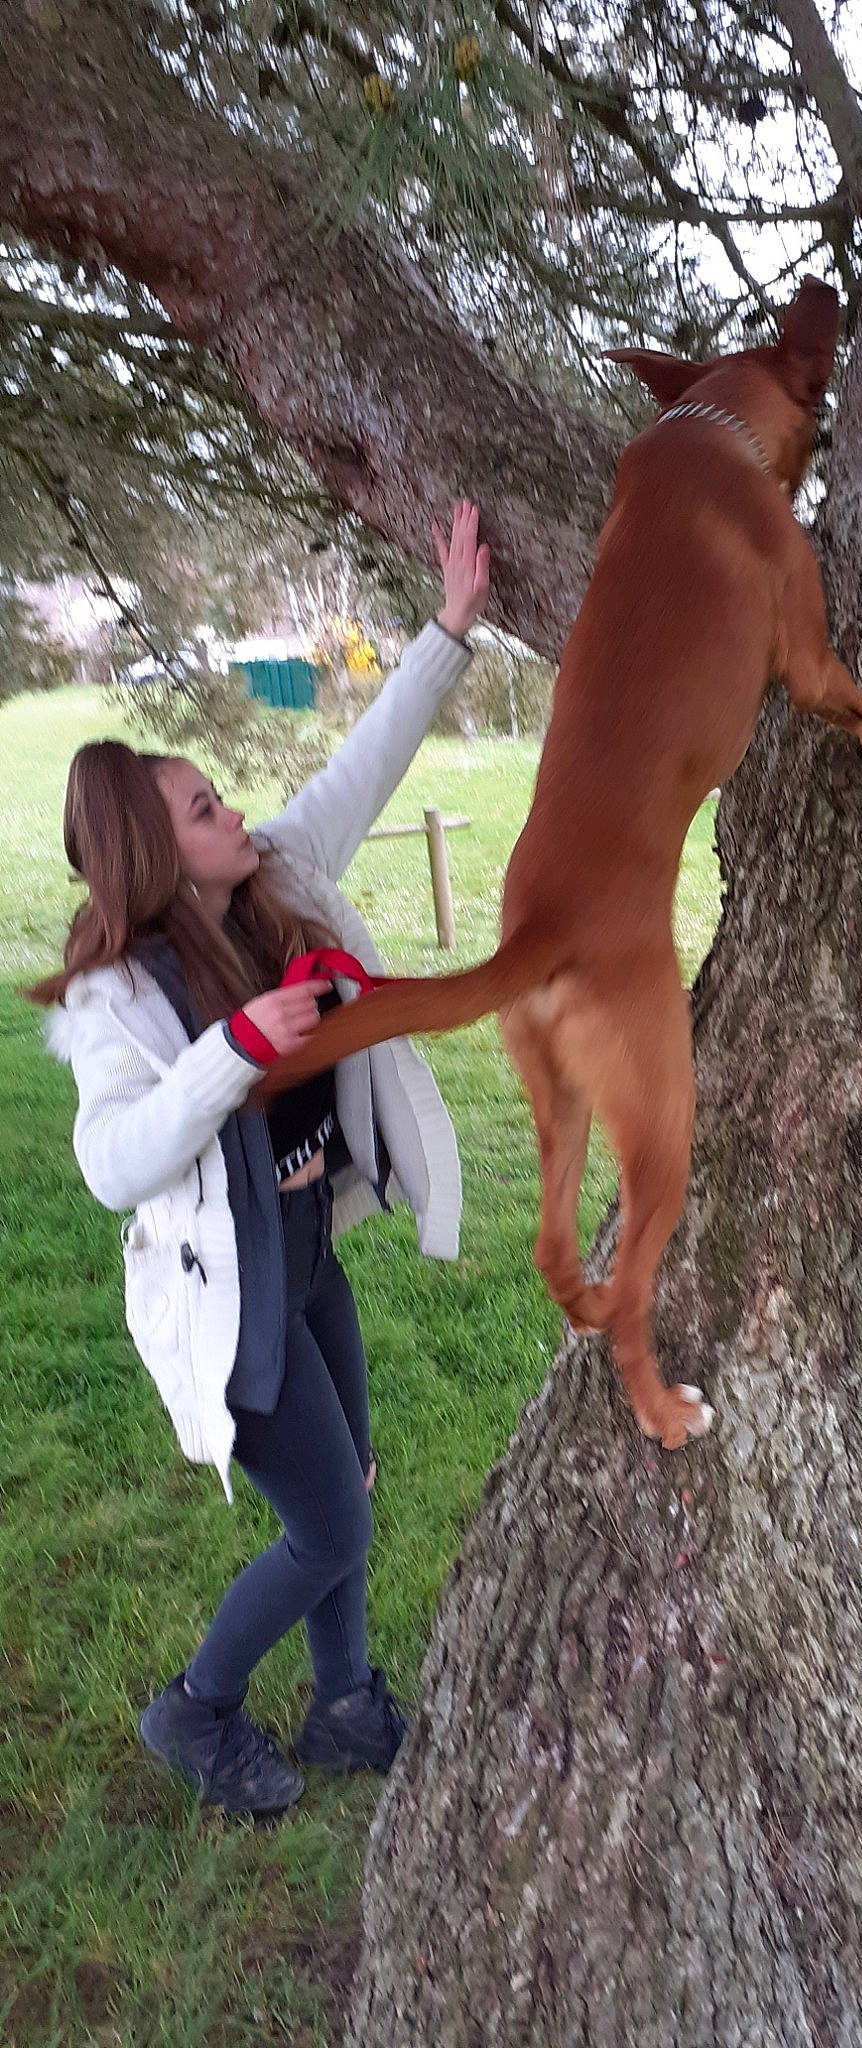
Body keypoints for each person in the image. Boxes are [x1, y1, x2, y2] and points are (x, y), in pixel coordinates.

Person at [29, 503, 491, 1816]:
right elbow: (118, 1163)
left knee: (352, 1481)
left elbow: (364, 766)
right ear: (152, 852)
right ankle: (198, 1707)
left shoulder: (273, 885)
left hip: (303, 1259)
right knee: (330, 1524)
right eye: (201, 806)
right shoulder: (116, 999)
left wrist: (449, 629)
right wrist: (232, 1046)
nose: (233, 810)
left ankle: (344, 1705)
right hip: (229, 1308)